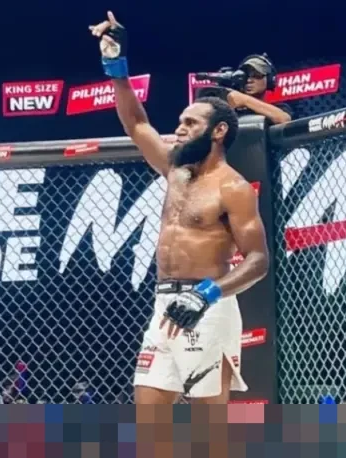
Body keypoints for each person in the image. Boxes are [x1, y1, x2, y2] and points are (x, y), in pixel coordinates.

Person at [91, 12, 270, 406]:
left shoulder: (233, 188)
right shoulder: (175, 169)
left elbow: (258, 260)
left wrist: (205, 295)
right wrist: (116, 66)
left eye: (190, 123)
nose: (180, 129)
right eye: (180, 122)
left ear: (219, 131)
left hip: (208, 306)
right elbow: (137, 124)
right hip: (163, 303)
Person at [224, 54, 293, 125]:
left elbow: (284, 119)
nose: (249, 80)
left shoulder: (280, 108)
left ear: (269, 79)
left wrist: (244, 100)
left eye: (256, 75)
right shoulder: (230, 110)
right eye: (245, 76)